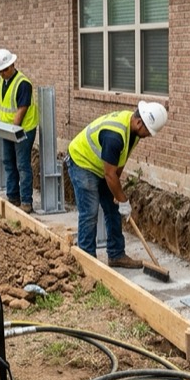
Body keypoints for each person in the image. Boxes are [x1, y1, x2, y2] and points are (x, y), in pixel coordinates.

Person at [66, 101, 168, 269]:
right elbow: (109, 174)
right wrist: (123, 201)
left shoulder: (133, 133)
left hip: (103, 167)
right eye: (148, 131)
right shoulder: (115, 135)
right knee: (90, 211)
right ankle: (86, 261)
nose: (148, 135)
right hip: (82, 162)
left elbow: (118, 164)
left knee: (113, 208)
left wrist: (117, 196)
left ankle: (116, 254)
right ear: (139, 122)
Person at [0, 48, 38, 212]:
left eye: (4, 70)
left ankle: (26, 201)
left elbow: (21, 109)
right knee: (8, 162)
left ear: (12, 65)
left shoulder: (23, 83)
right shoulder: (1, 81)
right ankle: (13, 197)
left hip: (22, 130)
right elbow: (3, 104)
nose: (2, 74)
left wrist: (12, 129)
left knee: (22, 165)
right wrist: (0, 122)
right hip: (8, 129)